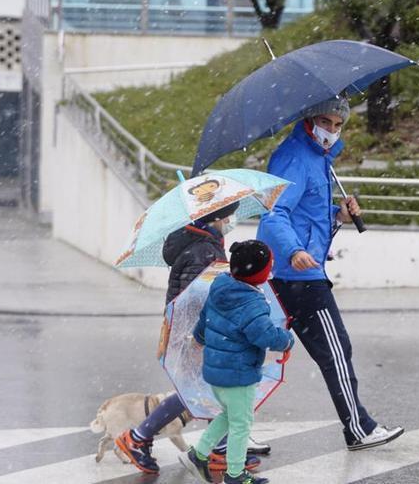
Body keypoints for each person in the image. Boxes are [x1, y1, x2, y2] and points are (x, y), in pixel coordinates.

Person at [256, 97, 404, 450]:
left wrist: (339, 217)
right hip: (298, 277)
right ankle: (359, 428)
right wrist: (294, 251)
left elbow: (308, 220)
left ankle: (225, 438)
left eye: (339, 125)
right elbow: (275, 215)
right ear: (309, 119)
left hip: (291, 272)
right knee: (336, 351)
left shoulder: (316, 158)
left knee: (249, 356)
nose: (332, 131)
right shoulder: (296, 156)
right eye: (326, 122)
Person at [115, 201, 269, 475]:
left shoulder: (202, 242)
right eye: (229, 215)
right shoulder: (204, 250)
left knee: (198, 388)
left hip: (194, 329)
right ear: (219, 218)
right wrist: (205, 333)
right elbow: (196, 297)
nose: (231, 220)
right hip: (195, 331)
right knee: (207, 388)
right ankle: (144, 438)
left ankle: (142, 437)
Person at [181, 239, 294, 484]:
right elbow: (263, 335)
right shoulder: (251, 302)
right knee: (242, 423)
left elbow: (204, 320)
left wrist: (199, 339)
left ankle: (198, 454)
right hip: (238, 374)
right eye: (269, 266)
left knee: (228, 415)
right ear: (260, 273)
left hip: (216, 371)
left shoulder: (221, 285)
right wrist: (286, 341)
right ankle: (235, 474)